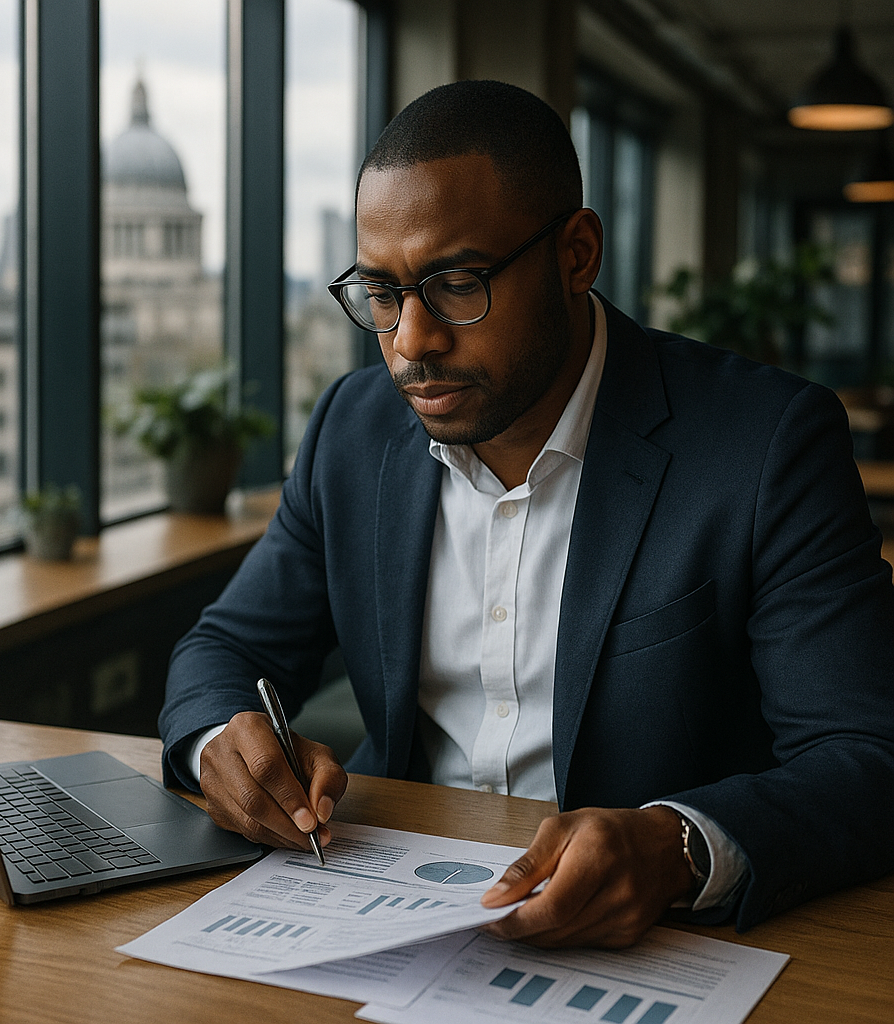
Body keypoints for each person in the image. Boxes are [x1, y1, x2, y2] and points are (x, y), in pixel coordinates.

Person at [159, 80, 894, 948]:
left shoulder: (765, 445)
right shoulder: (351, 433)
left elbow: (867, 756)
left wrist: (678, 845)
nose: (411, 342)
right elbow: (225, 649)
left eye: (457, 283)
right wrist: (218, 742)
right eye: (382, 293)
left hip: (659, 944)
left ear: (577, 254)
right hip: (378, 919)